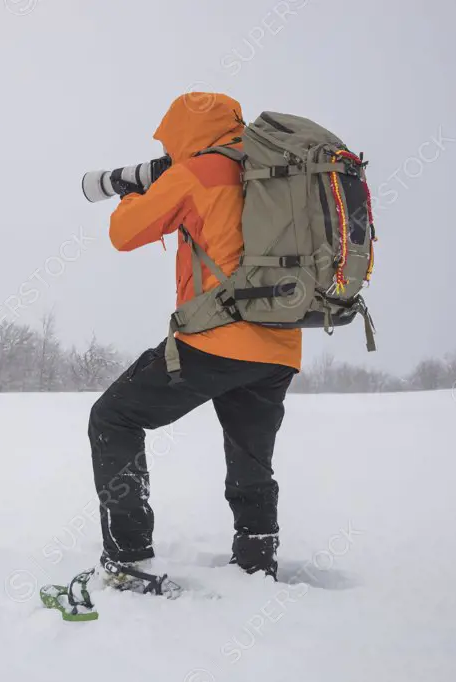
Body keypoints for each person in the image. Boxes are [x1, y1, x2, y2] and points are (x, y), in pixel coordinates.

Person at [89, 92, 302, 585]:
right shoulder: (272, 169)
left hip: (216, 340)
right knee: (251, 456)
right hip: (280, 345)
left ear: (185, 132)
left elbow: (124, 232)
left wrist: (128, 188)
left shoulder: (198, 172)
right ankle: (255, 563)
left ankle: (129, 555)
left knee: (113, 417)